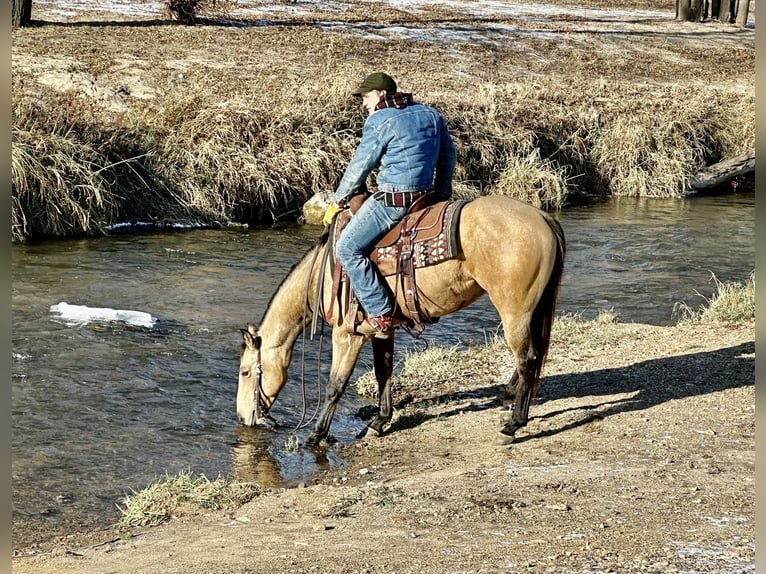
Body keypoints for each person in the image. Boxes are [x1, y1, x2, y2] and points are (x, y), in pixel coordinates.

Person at [323, 72, 456, 333]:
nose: (364, 104)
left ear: (381, 94)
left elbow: (360, 166)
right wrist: (440, 194)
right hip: (426, 197)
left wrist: (338, 201)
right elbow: (448, 157)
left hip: (393, 200)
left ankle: (380, 312)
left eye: (366, 97)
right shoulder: (430, 114)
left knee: (347, 249)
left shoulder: (379, 120)